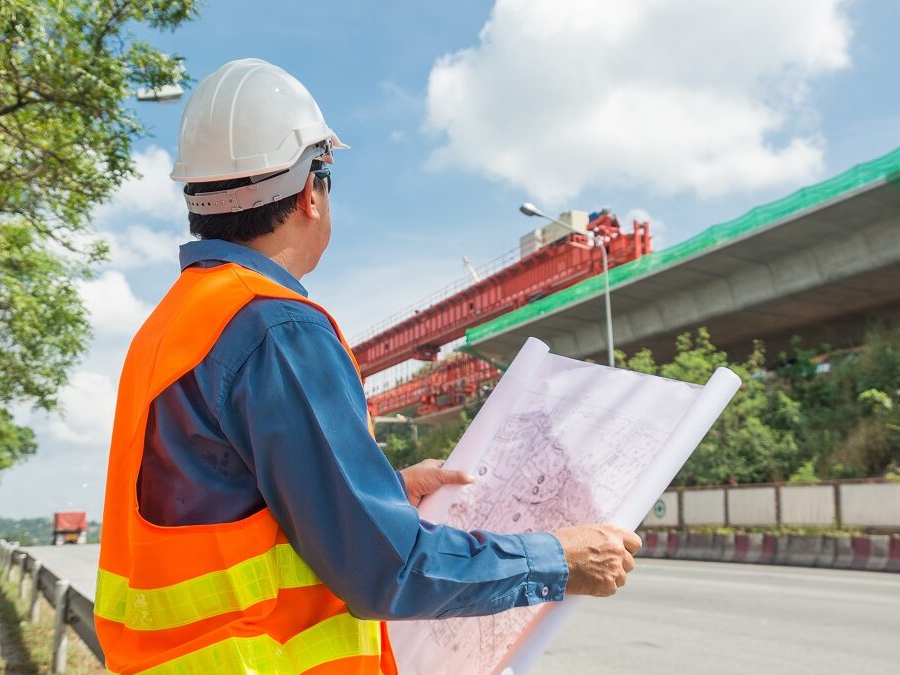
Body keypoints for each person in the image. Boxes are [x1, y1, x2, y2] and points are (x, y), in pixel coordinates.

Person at [94, 58, 641, 675]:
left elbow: (212, 506)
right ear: (310, 192)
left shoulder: (171, 325)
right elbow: (384, 568)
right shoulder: (277, 328)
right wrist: (557, 560)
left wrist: (383, 491)